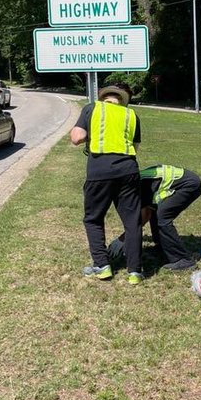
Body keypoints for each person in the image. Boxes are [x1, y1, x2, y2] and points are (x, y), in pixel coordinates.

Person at [69, 85, 144, 285]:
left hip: (99, 170)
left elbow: (77, 137)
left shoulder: (92, 108)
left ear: (104, 98)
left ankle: (102, 266)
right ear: (122, 101)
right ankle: (135, 271)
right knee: (132, 222)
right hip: (128, 170)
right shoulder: (131, 115)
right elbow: (135, 147)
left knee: (93, 219)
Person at [138, 162, 201, 272]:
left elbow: (145, 216)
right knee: (155, 211)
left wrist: (123, 239)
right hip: (188, 181)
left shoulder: (141, 184)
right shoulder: (140, 179)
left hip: (190, 185)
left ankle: (183, 260)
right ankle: (162, 247)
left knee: (162, 217)